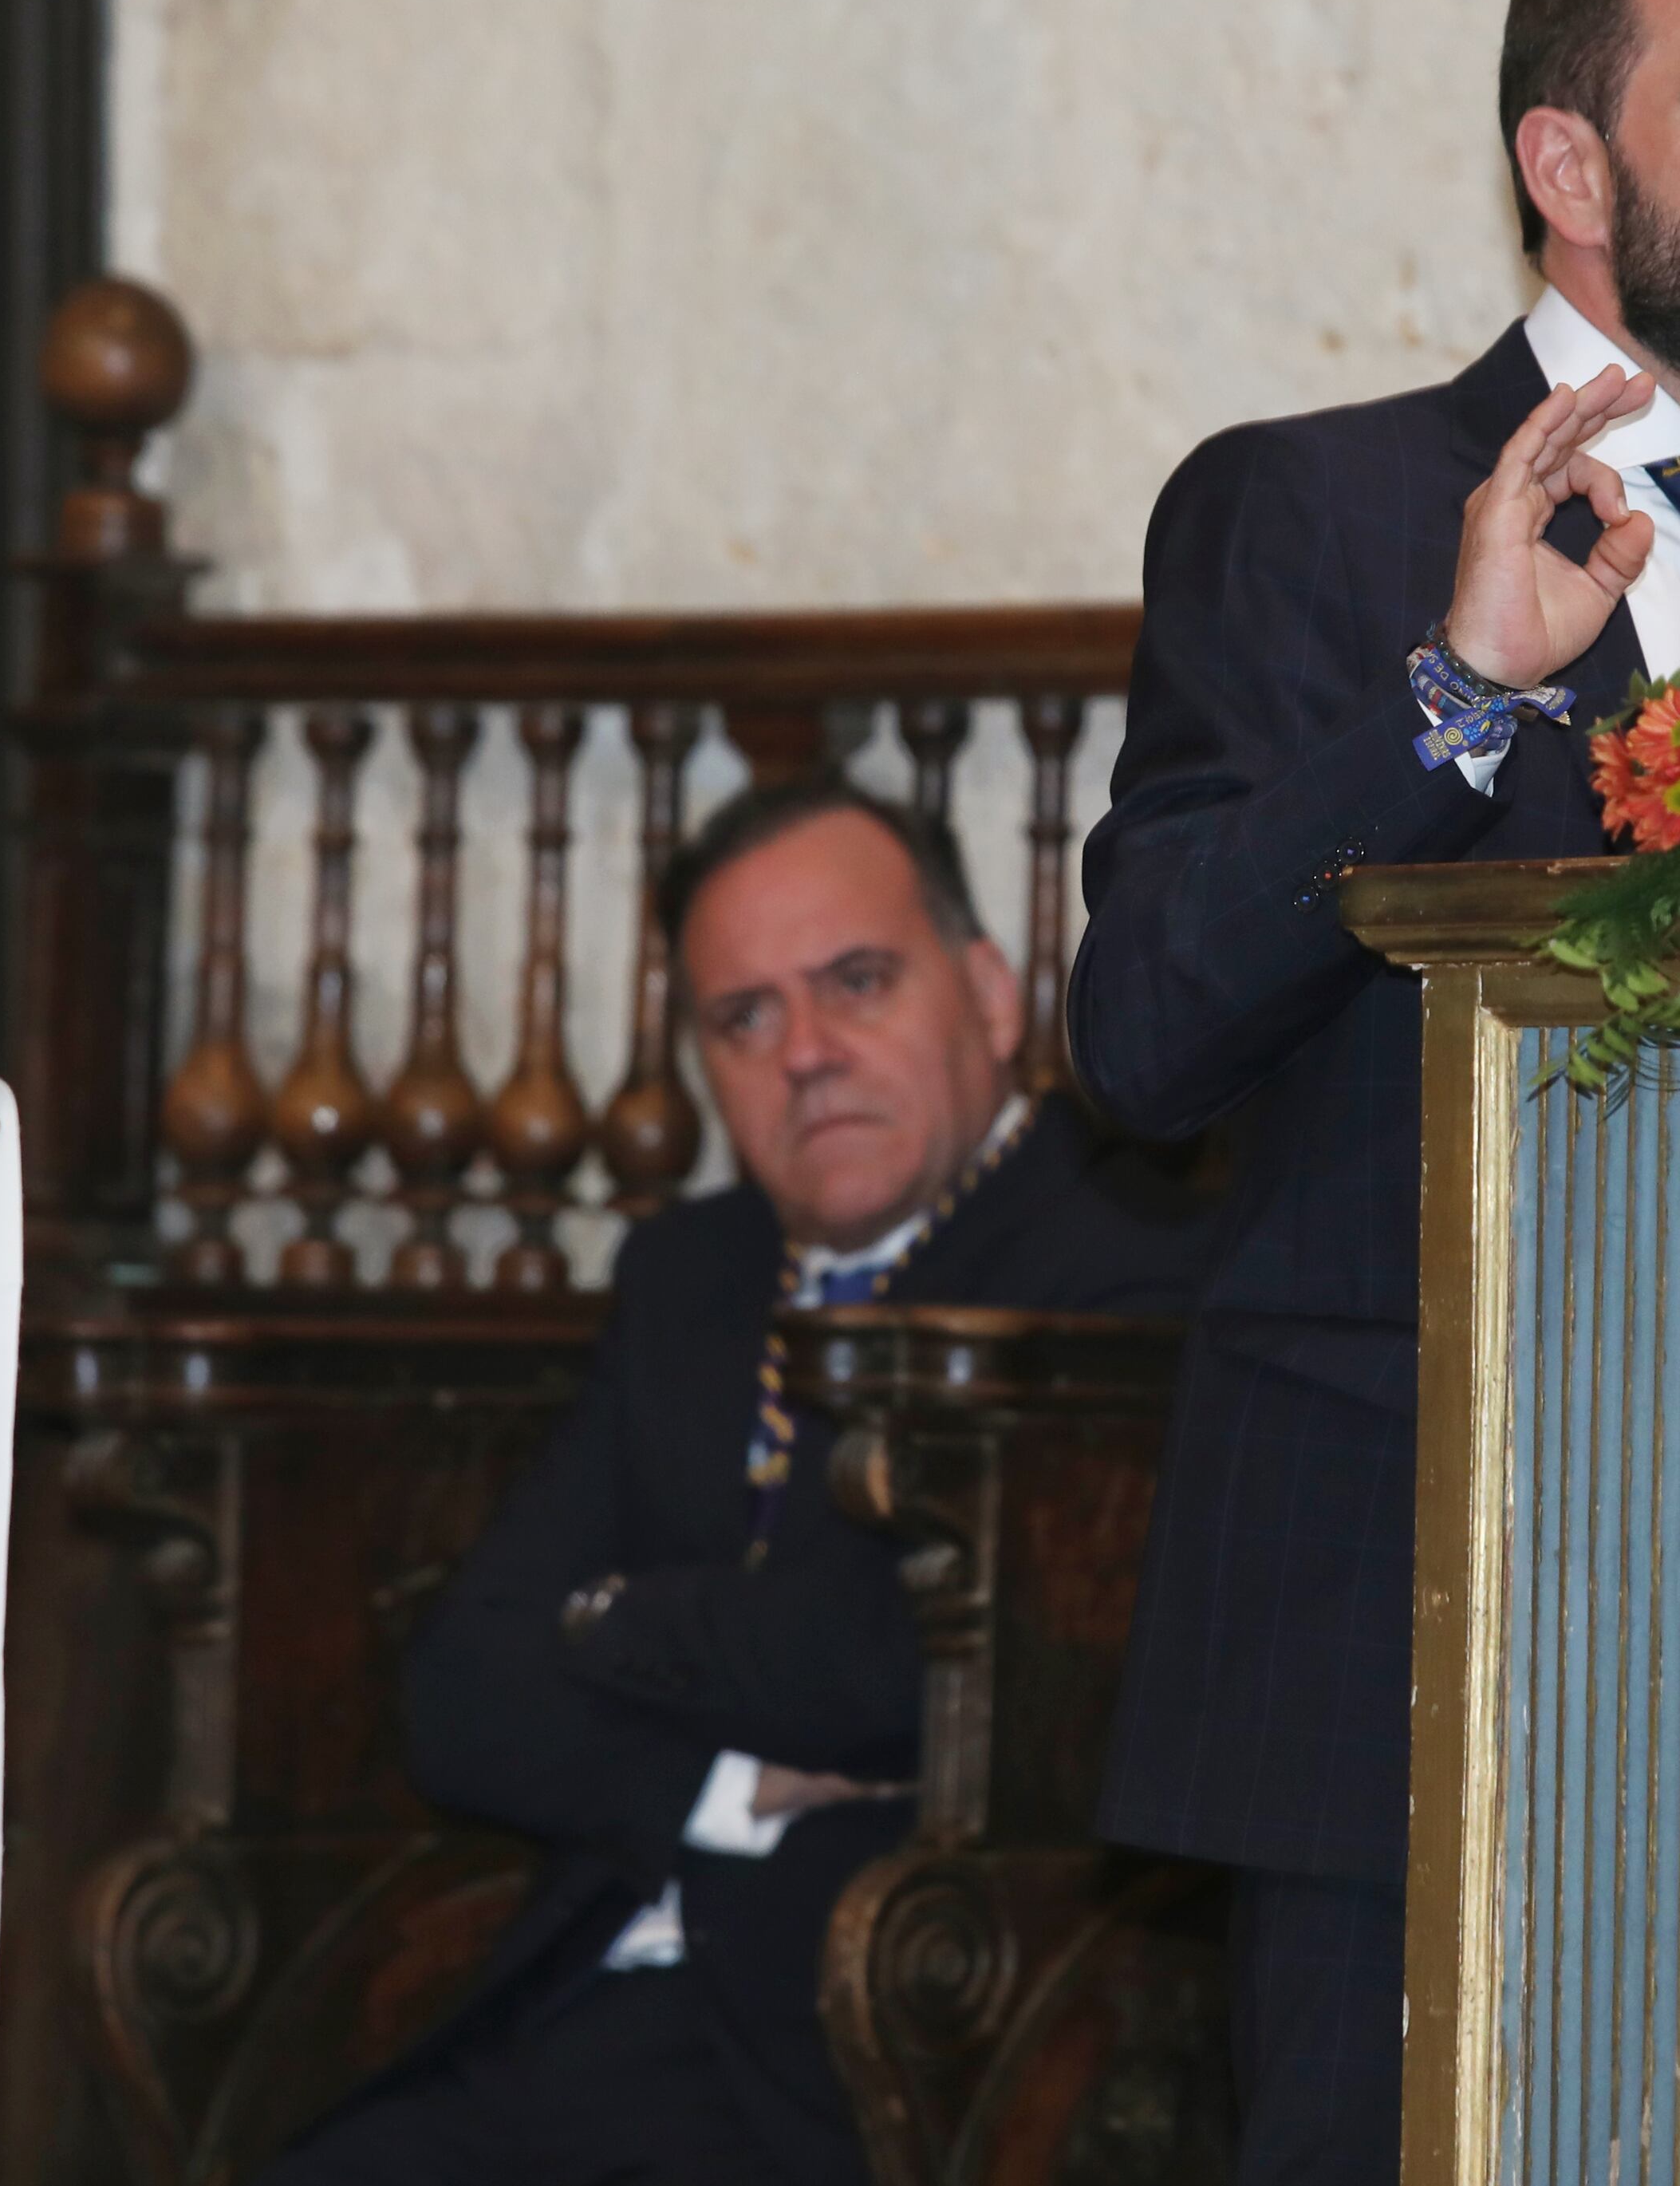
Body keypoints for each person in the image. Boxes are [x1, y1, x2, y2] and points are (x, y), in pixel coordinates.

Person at [1069, 0, 1680, 2182]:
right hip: (1419, 1639)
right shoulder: (1324, 511)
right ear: (1569, 169)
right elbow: (1145, 1032)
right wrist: (1457, 695)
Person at [269, 776, 1209, 2186]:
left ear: (992, 994)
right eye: (745, 1016)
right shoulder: (694, 1277)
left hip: (896, 2043)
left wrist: (609, 1621)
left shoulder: (1114, 1254)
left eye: (857, 981)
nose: (808, 1052)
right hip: (588, 1992)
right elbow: (463, 1689)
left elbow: (908, 1673)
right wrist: (740, 1779)